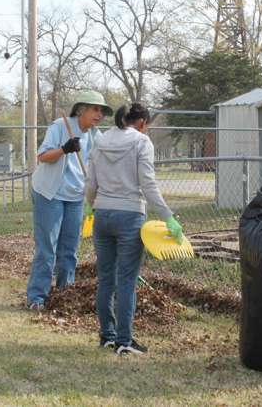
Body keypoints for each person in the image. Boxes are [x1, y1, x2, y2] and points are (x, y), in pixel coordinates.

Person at [85, 102, 183, 355]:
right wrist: (168, 217)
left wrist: (93, 205)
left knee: (105, 278)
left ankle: (107, 335)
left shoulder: (101, 140)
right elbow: (148, 184)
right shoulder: (141, 142)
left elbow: (91, 181)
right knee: (126, 280)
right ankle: (124, 342)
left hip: (103, 215)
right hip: (130, 215)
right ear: (142, 123)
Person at [26, 91, 113, 310]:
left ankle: (65, 296)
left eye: (102, 111)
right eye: (95, 109)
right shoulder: (60, 126)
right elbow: (43, 156)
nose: (99, 114)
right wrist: (64, 149)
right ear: (82, 109)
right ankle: (37, 298)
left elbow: (106, 161)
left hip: (75, 197)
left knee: (69, 250)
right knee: (47, 249)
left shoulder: (95, 135)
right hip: (50, 194)